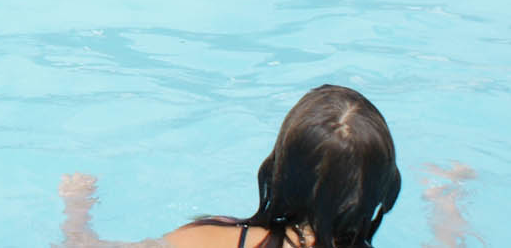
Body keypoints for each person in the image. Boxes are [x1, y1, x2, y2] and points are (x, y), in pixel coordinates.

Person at [55, 85, 475, 248]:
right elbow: (448, 243)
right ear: (382, 189)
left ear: (279, 170)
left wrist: (77, 209)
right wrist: (446, 203)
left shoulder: (214, 240)